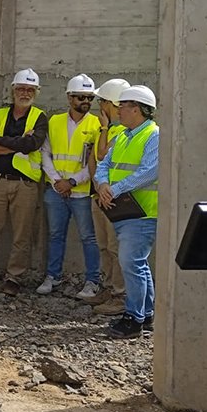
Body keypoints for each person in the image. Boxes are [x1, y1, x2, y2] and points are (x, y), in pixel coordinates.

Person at [0, 68, 48, 296]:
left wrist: (2, 144)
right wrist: (18, 143)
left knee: (21, 234)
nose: (25, 93)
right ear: (13, 90)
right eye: (21, 88)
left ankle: (14, 277)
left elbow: (32, 145)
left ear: (36, 92)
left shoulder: (39, 117)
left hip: (25, 185)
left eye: (30, 89)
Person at [94, 85, 159, 339]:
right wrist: (102, 185)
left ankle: (134, 318)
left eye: (122, 106)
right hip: (123, 209)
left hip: (142, 212)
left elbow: (150, 171)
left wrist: (115, 189)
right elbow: (104, 163)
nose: (117, 110)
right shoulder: (122, 135)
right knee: (137, 264)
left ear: (137, 109)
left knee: (131, 263)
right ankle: (147, 314)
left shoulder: (154, 135)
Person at [36, 74, 102, 297]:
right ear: (69, 97)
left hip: (81, 192)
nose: (85, 101)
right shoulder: (54, 121)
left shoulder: (97, 125)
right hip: (56, 190)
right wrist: (57, 181)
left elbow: (97, 161)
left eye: (89, 97)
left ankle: (92, 281)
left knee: (88, 237)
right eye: (80, 97)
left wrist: (72, 181)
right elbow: (45, 153)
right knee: (55, 235)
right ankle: (52, 276)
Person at [88, 78, 131, 315]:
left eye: (102, 101)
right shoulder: (106, 129)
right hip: (100, 195)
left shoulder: (122, 131)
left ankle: (120, 294)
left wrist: (103, 128)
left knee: (115, 247)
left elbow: (103, 155)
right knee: (103, 245)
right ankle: (108, 287)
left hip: (116, 198)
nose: (98, 105)